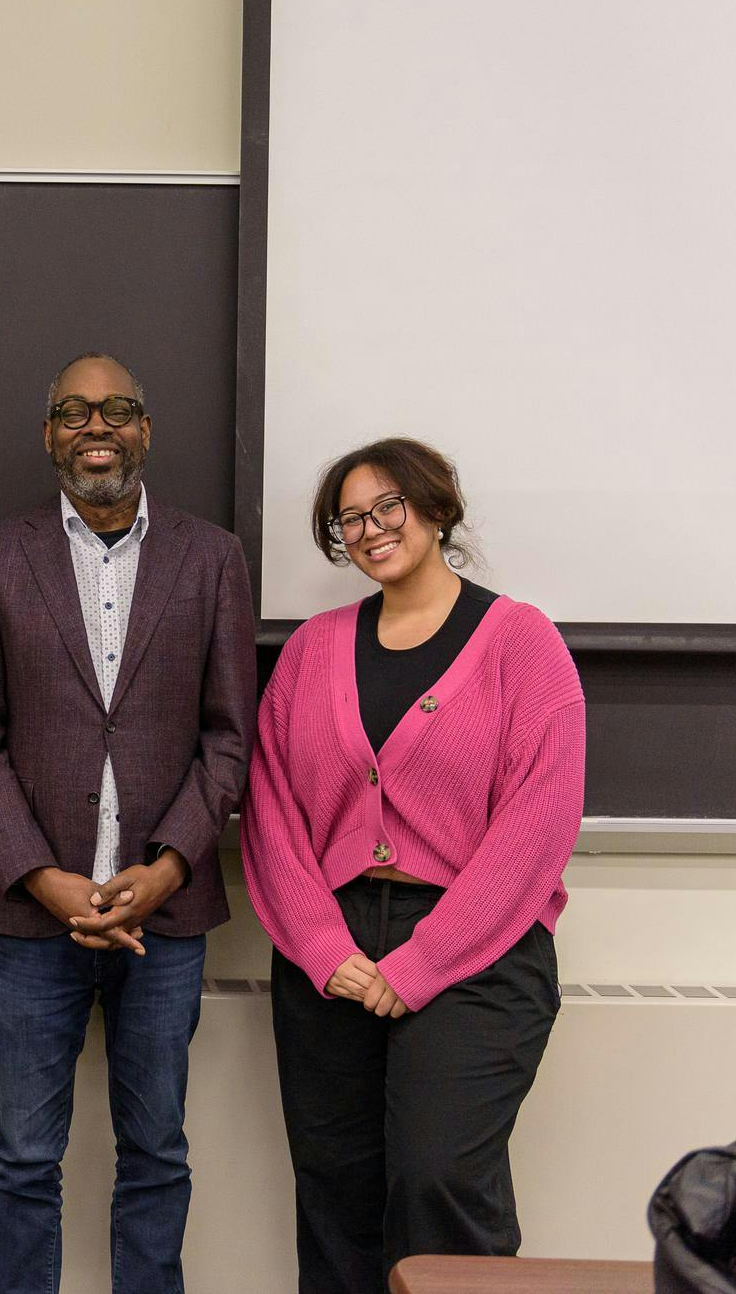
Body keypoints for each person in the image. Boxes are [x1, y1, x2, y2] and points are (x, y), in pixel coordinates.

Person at [242, 437, 585, 1293]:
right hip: (334, 954)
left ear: (435, 510)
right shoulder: (311, 650)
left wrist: (427, 958)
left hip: (478, 952)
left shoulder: (523, 643)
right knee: (335, 1187)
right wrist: (322, 946)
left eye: (387, 506)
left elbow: (536, 827)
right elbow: (272, 811)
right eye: (350, 519)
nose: (371, 529)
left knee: (442, 1180)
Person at [0, 351, 258, 1294]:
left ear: (145, 430)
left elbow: (229, 736)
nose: (97, 426)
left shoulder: (213, 557)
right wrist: (44, 878)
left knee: (157, 1151)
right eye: (75, 411)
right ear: (49, 434)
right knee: (23, 1158)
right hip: (28, 918)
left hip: (165, 916)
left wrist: (167, 867)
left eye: (117, 409)